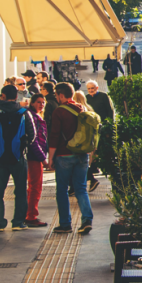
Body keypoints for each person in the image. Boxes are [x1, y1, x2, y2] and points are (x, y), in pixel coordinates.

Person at [0, 85, 36, 231]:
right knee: (20, 190)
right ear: (16, 96)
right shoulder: (24, 113)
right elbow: (32, 135)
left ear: (3, 96)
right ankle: (18, 222)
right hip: (18, 157)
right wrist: (21, 146)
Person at [47, 83, 93, 235]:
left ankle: (65, 224)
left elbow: (54, 135)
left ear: (60, 95)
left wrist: (50, 157)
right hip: (82, 155)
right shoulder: (82, 108)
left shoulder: (59, 112)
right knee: (80, 188)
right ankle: (87, 219)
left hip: (64, 155)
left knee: (62, 190)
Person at [24, 94, 48, 228]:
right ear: (32, 103)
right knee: (35, 187)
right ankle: (31, 216)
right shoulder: (33, 117)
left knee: (31, 187)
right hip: (33, 157)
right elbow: (34, 141)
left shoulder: (32, 116)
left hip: (30, 156)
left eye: (43, 102)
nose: (41, 104)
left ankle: (27, 213)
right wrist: (43, 159)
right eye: (39, 102)